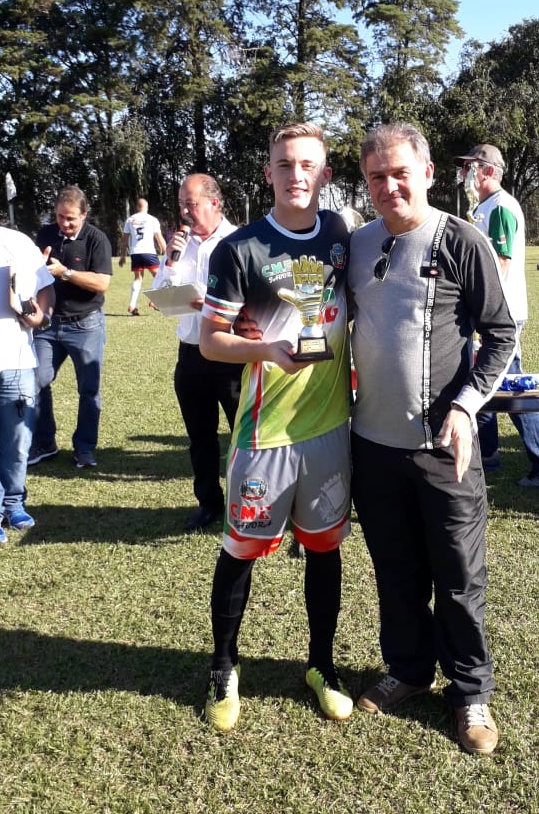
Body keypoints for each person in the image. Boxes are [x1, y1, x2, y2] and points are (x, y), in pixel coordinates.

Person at [349, 123, 516, 756]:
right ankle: (409, 670)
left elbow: (501, 334)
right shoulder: (356, 244)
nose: (389, 186)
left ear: (427, 173)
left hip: (445, 449)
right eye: (376, 176)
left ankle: (470, 693)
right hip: (372, 445)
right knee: (395, 572)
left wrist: (468, 407)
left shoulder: (462, 240)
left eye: (400, 173)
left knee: (458, 576)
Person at [198, 123, 353, 730]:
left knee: (325, 550)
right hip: (265, 435)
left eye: (308, 165)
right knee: (240, 551)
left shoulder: (341, 235)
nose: (296, 175)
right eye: (285, 164)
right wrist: (266, 351)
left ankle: (321, 666)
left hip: (331, 429)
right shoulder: (239, 249)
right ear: (268, 172)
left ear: (325, 175)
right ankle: (224, 666)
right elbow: (211, 342)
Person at [454, 143, 539, 488]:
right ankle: (488, 453)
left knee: (509, 388)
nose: (464, 173)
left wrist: (481, 307)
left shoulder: (500, 206)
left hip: (501, 314)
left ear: (488, 171)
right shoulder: (486, 205)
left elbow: (500, 264)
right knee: (485, 381)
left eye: (470, 167)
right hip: (493, 312)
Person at [150, 174, 242, 532]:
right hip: (190, 354)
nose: (184, 212)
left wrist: (213, 304)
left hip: (230, 353)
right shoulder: (179, 244)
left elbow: (253, 299)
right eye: (181, 205)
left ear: (214, 203)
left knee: (243, 434)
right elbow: (160, 295)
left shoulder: (238, 241)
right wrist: (171, 261)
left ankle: (249, 501)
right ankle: (208, 503)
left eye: (191, 204)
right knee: (200, 437)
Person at [28, 186, 112, 470]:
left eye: (71, 218)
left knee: (89, 390)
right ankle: (44, 443)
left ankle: (84, 448)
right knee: (36, 381)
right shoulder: (45, 234)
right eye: (60, 217)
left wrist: (65, 272)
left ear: (84, 215)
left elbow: (102, 283)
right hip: (49, 325)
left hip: (85, 324)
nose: (64, 223)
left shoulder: (96, 239)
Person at [0, 222, 54, 545]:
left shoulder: (17, 242)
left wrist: (41, 316)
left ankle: (14, 503)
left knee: (18, 442)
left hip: (16, 361)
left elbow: (46, 287)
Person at [119, 198, 166, 315]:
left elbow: (124, 240)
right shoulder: (152, 219)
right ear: (147, 207)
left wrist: (123, 256)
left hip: (135, 253)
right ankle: (154, 301)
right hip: (149, 252)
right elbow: (159, 237)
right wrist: (166, 252)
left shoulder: (130, 219)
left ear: (136, 207)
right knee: (160, 277)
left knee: (138, 278)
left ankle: (132, 305)